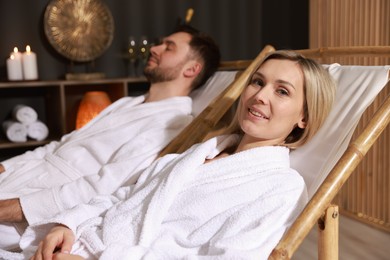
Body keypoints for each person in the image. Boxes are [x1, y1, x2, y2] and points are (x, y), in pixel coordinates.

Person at [0, 50, 336, 260]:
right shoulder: (199, 153)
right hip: (74, 244)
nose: (260, 96)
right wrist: (68, 224)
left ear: (303, 117)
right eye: (257, 82)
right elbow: (123, 196)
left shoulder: (282, 187)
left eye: (282, 91)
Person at [0, 25, 221, 251]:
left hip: (42, 204)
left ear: (192, 69)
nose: (155, 48)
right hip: (26, 174)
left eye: (169, 47)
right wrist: (5, 166)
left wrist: (13, 208)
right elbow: (60, 145)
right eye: (160, 43)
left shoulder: (173, 124)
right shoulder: (127, 102)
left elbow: (103, 186)